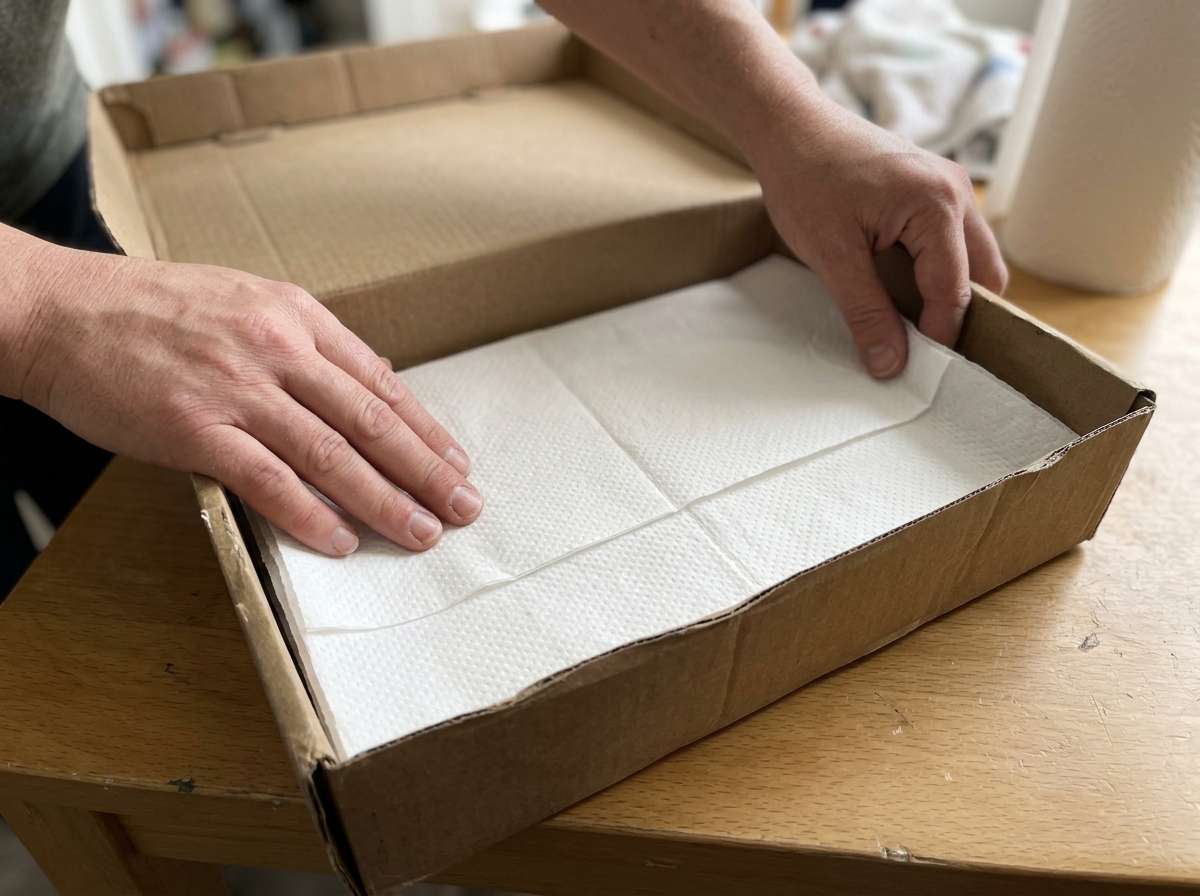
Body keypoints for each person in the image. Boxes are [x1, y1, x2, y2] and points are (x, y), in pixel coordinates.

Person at [0, 0, 1006, 595]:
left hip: (39, 173)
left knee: (147, 566)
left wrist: (787, 115)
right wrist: (48, 314)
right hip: (47, 285)